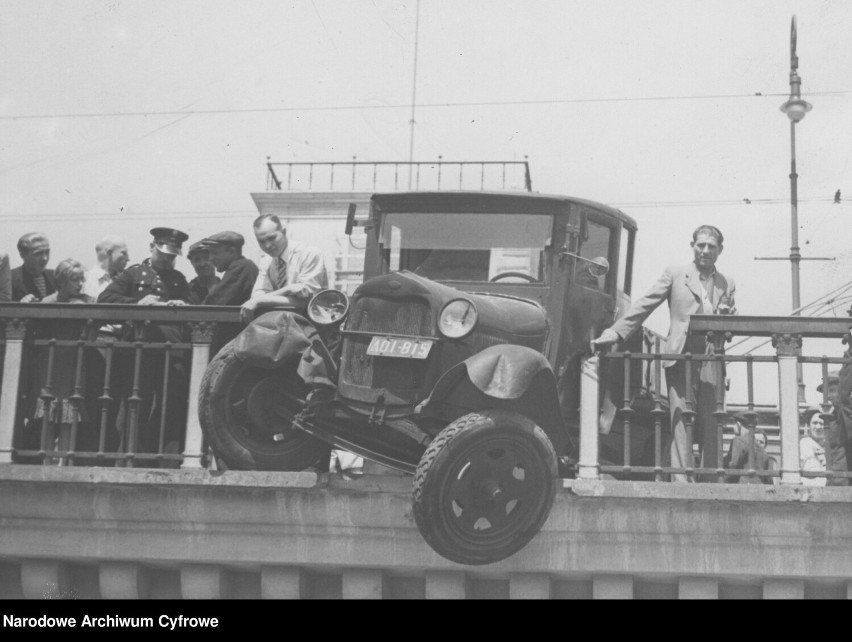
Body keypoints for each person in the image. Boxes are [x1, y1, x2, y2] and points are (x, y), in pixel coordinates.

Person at [592, 225, 736, 482]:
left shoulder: (727, 283)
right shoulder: (676, 274)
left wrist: (729, 320)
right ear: (692, 245)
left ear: (720, 250)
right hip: (681, 356)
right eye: (700, 245)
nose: (704, 250)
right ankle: (682, 486)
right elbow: (645, 304)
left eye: (711, 246)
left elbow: (731, 329)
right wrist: (616, 332)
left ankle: (711, 486)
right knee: (681, 422)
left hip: (712, 356)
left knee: (712, 424)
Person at [98, 228, 191, 462]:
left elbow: (195, 307)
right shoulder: (133, 274)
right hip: (140, 350)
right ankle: (131, 457)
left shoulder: (179, 279)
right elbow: (106, 300)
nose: (169, 259)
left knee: (170, 405)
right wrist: (138, 303)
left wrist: (185, 305)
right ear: (152, 247)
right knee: (135, 404)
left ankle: (166, 460)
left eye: (172, 255)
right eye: (164, 253)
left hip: (172, 352)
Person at [27, 259, 96, 464]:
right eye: (74, 279)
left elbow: (92, 335)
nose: (79, 284)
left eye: (81, 279)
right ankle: (46, 462)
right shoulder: (48, 302)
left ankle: (64, 464)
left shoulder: (88, 301)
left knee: (68, 417)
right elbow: (36, 330)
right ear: (62, 280)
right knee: (48, 417)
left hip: (74, 363)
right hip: (50, 364)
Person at [240, 214, 328, 323]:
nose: (267, 245)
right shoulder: (266, 261)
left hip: (315, 324)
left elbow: (305, 302)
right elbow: (257, 297)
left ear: (284, 232)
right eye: (261, 241)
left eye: (272, 238)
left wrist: (262, 300)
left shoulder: (309, 253)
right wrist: (288, 289)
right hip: (282, 324)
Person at [198, 231, 259, 355]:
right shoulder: (241, 267)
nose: (211, 258)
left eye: (215, 253)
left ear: (232, 252)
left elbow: (214, 303)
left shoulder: (241, 267)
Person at [820, 368, 851, 486]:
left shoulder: (845, 414)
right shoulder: (830, 417)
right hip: (835, 478)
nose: (828, 396)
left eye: (832, 390)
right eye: (826, 392)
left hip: (845, 479)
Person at [722, 410, 773, 484]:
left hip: (742, 490)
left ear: (738, 424)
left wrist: (722, 481)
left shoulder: (739, 440)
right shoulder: (762, 450)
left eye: (734, 424)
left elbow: (732, 467)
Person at [11, 232, 56, 302]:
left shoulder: (57, 276)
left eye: (47, 252)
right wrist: (19, 306)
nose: (45, 258)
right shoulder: (10, 279)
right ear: (23, 255)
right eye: (38, 253)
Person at [799, 408, 827, 487]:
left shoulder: (830, 446)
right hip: (808, 492)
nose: (818, 427)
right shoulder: (803, 444)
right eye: (814, 423)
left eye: (821, 423)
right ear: (808, 426)